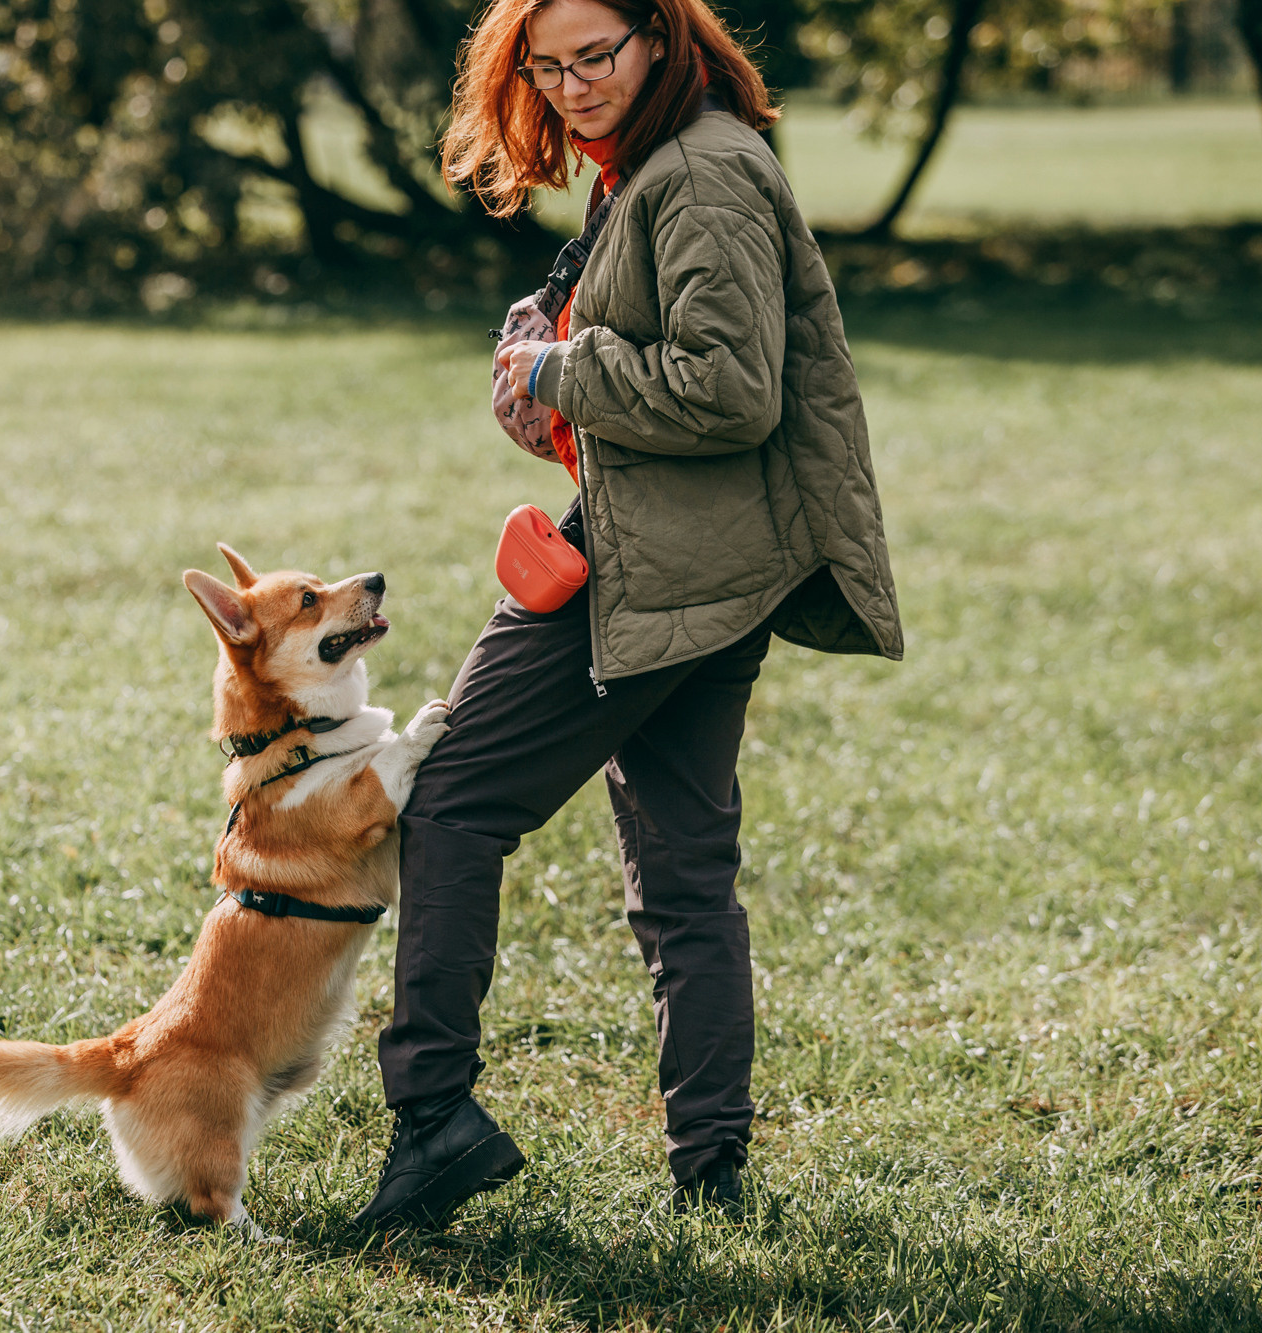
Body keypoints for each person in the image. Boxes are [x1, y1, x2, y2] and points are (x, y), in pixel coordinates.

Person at [353, 0, 904, 1228]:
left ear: (659, 37)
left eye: (592, 56)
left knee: (447, 803)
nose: (566, 87)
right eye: (543, 68)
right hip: (706, 573)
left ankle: (433, 1117)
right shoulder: (654, 163)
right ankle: (710, 1174)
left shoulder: (702, 173)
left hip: (659, 577)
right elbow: (652, 366)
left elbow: (731, 389)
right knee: (683, 880)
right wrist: (547, 371)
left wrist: (562, 369)